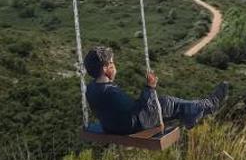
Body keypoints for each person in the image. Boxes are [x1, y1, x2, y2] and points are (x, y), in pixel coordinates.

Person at [82, 45, 227, 135]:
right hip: (129, 126)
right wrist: (150, 88)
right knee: (167, 102)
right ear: (105, 68)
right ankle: (207, 105)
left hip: (111, 126)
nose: (115, 66)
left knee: (165, 104)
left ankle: (194, 112)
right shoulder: (111, 91)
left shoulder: (90, 88)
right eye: (112, 63)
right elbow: (136, 110)